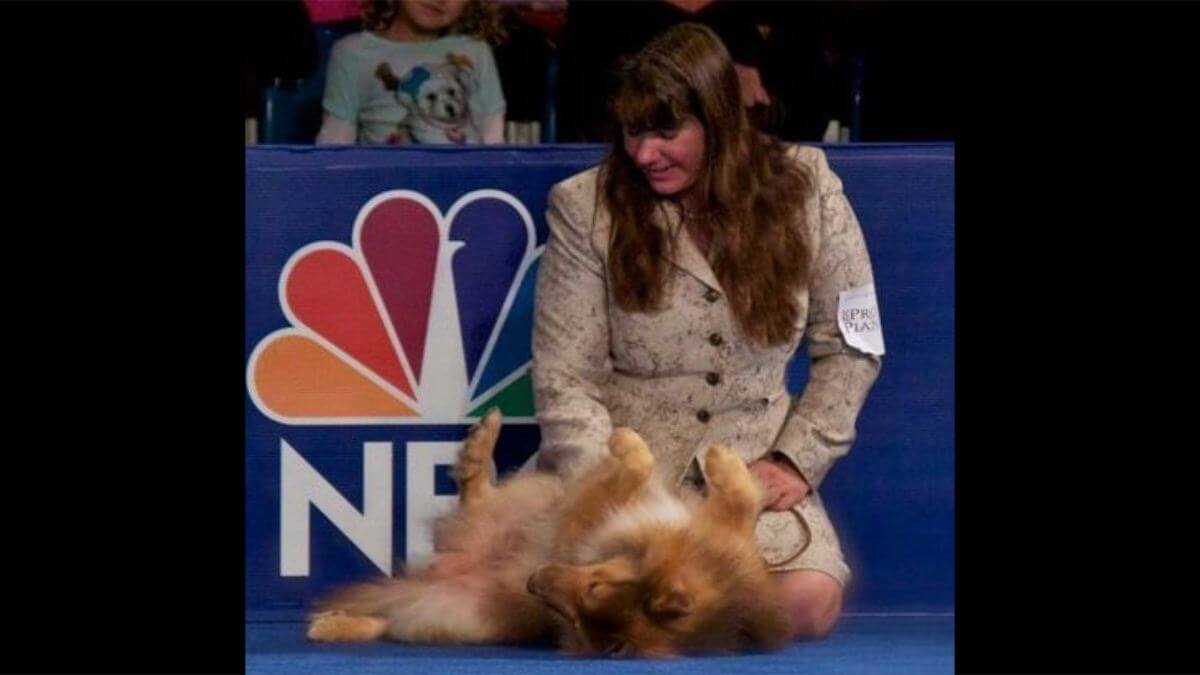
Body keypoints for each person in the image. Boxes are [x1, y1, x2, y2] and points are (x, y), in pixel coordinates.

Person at [531, 23, 884, 640]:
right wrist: (610, 492)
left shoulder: (808, 187)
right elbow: (566, 377)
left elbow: (855, 345)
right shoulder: (583, 205)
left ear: (719, 120)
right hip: (629, 466)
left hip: (746, 467)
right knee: (630, 588)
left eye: (667, 132)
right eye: (634, 132)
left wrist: (795, 461)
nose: (645, 154)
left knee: (805, 602)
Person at [316, 0, 506, 145]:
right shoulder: (353, 53)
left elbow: (493, 134)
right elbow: (336, 140)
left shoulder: (476, 51)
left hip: (467, 183)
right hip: (390, 189)